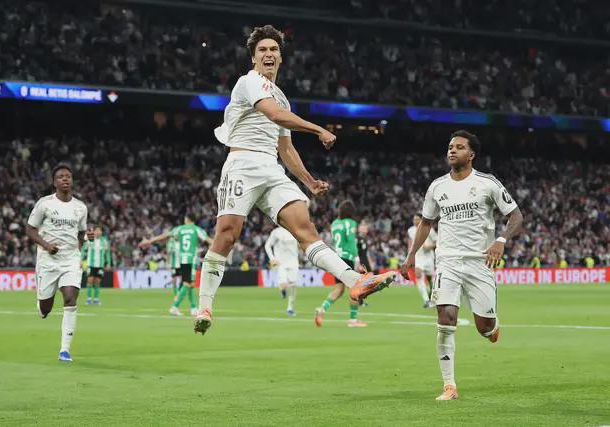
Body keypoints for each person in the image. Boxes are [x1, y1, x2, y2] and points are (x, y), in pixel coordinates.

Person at [194, 25, 396, 334]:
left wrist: (308, 181)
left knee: (305, 228)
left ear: (281, 57)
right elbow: (274, 115)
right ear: (253, 58)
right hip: (242, 163)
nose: (269, 54)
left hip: (271, 168)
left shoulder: (281, 98)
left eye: (274, 49)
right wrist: (318, 129)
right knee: (227, 234)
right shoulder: (249, 82)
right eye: (262, 50)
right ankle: (205, 306)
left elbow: (285, 148)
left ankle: (356, 281)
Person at [401, 130, 523, 401]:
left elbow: (515, 215)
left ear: (471, 154)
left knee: (484, 327)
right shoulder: (437, 186)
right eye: (450, 147)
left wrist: (501, 240)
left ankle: (492, 326)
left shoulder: (488, 183)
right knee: (445, 319)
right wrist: (411, 256)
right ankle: (449, 386)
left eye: (459, 147)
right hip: (447, 261)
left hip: (480, 262)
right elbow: (426, 223)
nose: (452, 151)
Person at [26, 164, 93, 362]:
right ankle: (42, 305)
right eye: (61, 177)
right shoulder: (45, 204)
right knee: (46, 309)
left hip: (70, 261)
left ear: (72, 181)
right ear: (54, 182)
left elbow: (81, 233)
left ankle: (65, 349)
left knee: (71, 298)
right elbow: (30, 229)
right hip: (48, 261)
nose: (65, 179)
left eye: (68, 176)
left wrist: (84, 241)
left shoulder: (80, 207)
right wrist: (47, 246)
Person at [140, 214, 213, 316]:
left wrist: (150, 241)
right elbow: (208, 240)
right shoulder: (196, 229)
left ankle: (192, 307)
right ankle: (175, 306)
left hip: (182, 259)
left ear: (186, 219)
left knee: (190, 283)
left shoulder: (179, 229)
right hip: (191, 259)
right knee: (188, 283)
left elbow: (164, 236)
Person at [314, 200, 368, 327]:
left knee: (339, 289)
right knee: (355, 289)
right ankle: (353, 320)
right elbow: (351, 241)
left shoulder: (335, 223)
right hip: (347, 258)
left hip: (337, 257)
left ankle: (322, 309)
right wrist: (356, 258)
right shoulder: (350, 223)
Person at [264, 226, 300, 316]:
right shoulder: (277, 232)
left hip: (293, 262)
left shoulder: (295, 230)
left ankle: (290, 308)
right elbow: (267, 245)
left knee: (293, 285)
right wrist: (272, 258)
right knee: (283, 285)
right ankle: (283, 290)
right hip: (281, 263)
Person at [407, 213, 437, 308]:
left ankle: (431, 294)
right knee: (418, 275)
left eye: (417, 219)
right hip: (418, 256)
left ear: (421, 220)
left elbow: (437, 242)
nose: (415, 221)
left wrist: (429, 246)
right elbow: (410, 243)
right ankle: (426, 300)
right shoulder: (410, 230)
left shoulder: (429, 229)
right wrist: (409, 257)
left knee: (430, 279)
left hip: (429, 257)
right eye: (414, 219)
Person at [81, 226, 111, 305]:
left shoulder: (104, 241)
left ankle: (96, 299)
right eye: (96, 230)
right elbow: (84, 250)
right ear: (94, 232)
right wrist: (80, 260)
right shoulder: (90, 240)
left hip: (100, 265)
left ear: (101, 232)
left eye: (99, 231)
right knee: (90, 281)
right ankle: (88, 299)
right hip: (90, 264)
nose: (98, 232)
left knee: (97, 282)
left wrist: (108, 263)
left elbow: (107, 253)